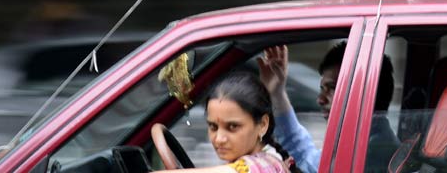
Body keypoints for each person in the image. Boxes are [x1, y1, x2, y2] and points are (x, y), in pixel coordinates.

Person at [258, 43, 399, 173]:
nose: (320, 99)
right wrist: (277, 92)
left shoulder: (373, 153)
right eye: (322, 89)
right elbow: (309, 158)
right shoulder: (362, 141)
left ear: (365, 94)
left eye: (332, 88)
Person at [158, 70, 299, 173]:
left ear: (262, 125)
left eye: (232, 127)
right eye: (213, 127)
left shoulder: (263, 165)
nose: (219, 139)